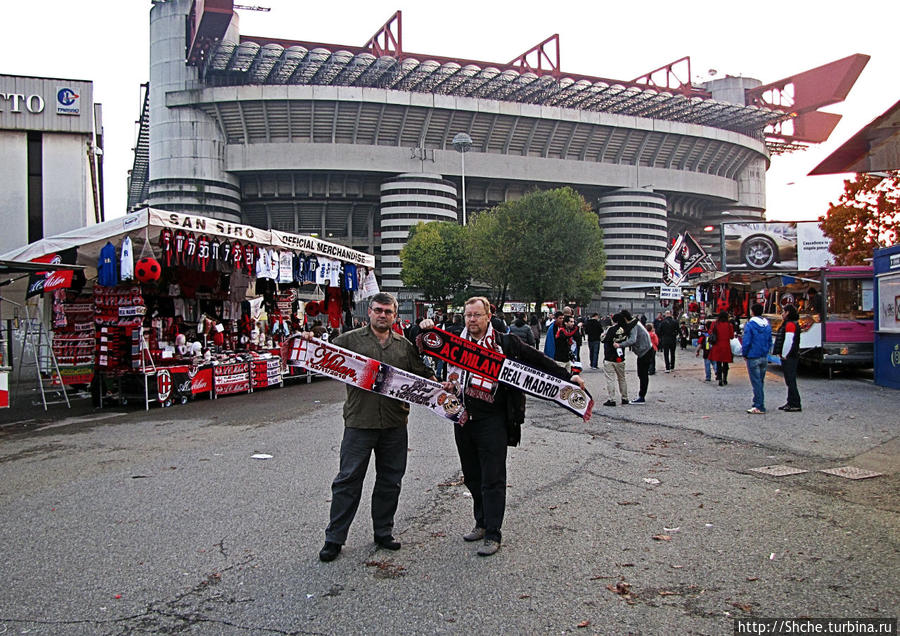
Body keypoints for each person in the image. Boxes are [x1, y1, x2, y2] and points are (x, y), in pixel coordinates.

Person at [424, 297, 585, 556]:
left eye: (477, 315)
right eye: (468, 315)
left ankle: (493, 532)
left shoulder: (506, 343)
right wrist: (424, 326)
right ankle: (481, 522)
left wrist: (568, 377)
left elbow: (538, 360)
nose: (472, 320)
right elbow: (420, 341)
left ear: (489, 316)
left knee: (493, 477)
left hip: (493, 420)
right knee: (472, 475)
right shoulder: (454, 342)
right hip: (463, 417)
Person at [316, 292, 438, 563]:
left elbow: (421, 372)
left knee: (390, 480)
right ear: (369, 312)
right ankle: (334, 539)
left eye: (388, 311)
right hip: (360, 422)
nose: (383, 315)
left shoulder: (404, 346)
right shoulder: (348, 341)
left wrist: (438, 383)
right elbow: (323, 359)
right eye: (378, 310)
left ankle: (383, 532)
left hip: (395, 423)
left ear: (395, 316)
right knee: (348, 481)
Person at [742, 303, 772, 414]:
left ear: (752, 311)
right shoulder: (767, 324)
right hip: (763, 356)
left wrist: (745, 353)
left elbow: (747, 341)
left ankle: (759, 405)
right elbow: (770, 341)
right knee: (760, 381)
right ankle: (757, 402)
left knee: (756, 382)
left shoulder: (750, 325)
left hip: (753, 356)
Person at [618, 310, 654, 403]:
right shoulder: (635, 323)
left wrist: (620, 344)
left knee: (642, 374)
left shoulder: (633, 326)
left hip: (645, 351)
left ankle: (641, 396)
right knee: (642, 374)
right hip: (646, 350)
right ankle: (642, 395)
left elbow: (632, 340)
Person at [774, 304, 802, 412]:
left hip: (790, 356)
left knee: (790, 380)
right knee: (789, 380)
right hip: (791, 355)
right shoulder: (790, 324)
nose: (782, 314)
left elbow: (788, 341)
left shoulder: (790, 325)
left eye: (783, 312)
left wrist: (784, 354)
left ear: (788, 313)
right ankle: (791, 401)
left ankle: (795, 403)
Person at [601, 321, 629, 406]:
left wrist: (603, 335)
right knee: (622, 378)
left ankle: (612, 399)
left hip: (609, 357)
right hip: (620, 358)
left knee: (610, 379)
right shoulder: (624, 330)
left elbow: (604, 340)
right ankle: (624, 397)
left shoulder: (611, 329)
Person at [708, 310, 735, 386]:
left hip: (717, 346)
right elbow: (732, 337)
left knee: (718, 363)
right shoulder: (729, 325)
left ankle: (719, 378)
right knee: (725, 364)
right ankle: (725, 379)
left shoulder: (714, 324)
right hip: (726, 346)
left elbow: (710, 333)